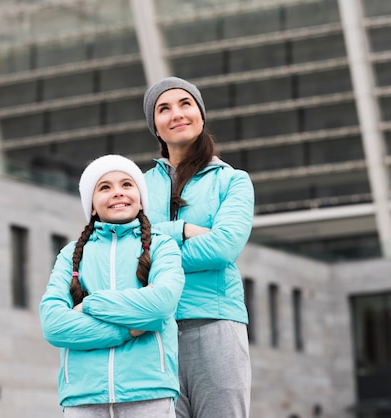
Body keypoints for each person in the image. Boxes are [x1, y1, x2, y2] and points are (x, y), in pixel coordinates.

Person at [39, 154, 185, 418]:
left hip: (149, 393)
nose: (117, 193)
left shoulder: (163, 246)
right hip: (83, 398)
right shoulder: (70, 255)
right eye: (105, 187)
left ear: (141, 199)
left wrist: (90, 305)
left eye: (127, 185)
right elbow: (53, 325)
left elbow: (161, 303)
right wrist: (126, 330)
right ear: (92, 205)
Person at [142, 76, 254, 418]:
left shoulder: (233, 181)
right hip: (156, 334)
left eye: (185, 104)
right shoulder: (140, 188)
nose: (176, 113)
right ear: (156, 128)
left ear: (201, 116)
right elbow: (132, 250)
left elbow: (223, 248)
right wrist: (185, 230)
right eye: (164, 109)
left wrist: (159, 250)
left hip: (216, 326)